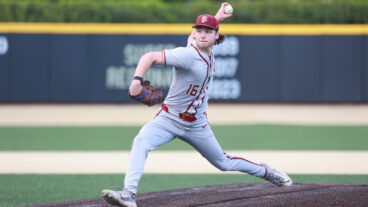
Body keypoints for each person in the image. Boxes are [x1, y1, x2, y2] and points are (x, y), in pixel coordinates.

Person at [102, 3, 292, 207]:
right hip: (168, 118)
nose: (202, 34)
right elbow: (149, 57)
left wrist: (217, 17)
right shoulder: (187, 55)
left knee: (223, 163)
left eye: (207, 31)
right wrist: (136, 81)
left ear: (216, 36)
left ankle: (266, 171)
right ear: (194, 33)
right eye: (198, 30)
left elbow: (205, 34)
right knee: (141, 141)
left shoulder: (205, 50)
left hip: (197, 124)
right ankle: (128, 194)